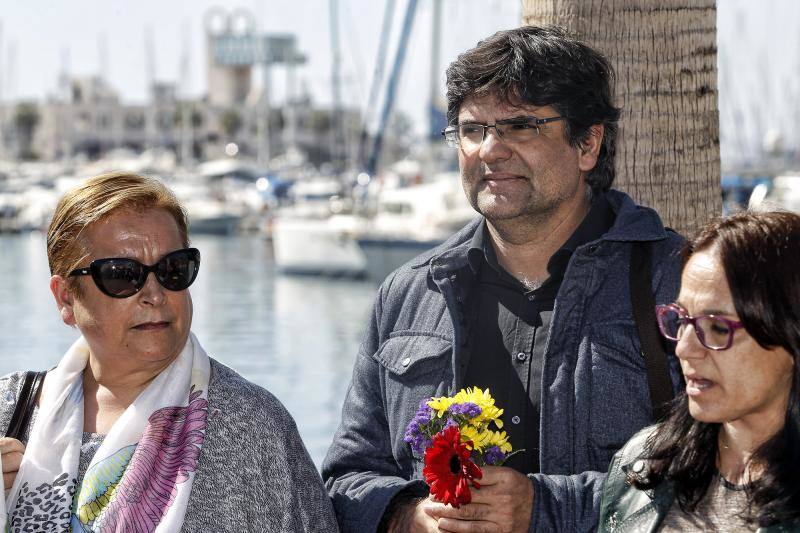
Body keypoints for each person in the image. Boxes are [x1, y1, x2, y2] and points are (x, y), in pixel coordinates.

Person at [323, 26, 684, 533]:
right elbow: (345, 478)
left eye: (519, 126)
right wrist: (408, 515)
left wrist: (543, 508)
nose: (490, 150)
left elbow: (728, 469)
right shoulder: (407, 294)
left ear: (588, 144)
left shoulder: (676, 282)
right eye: (472, 130)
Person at [0, 172, 338, 532]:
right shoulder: (9, 410)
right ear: (65, 297)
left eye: (173, 269)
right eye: (122, 274)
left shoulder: (254, 429)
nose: (155, 294)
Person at [598, 211, 800, 532]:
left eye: (718, 328)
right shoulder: (642, 462)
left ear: (789, 334)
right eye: (681, 320)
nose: (683, 348)